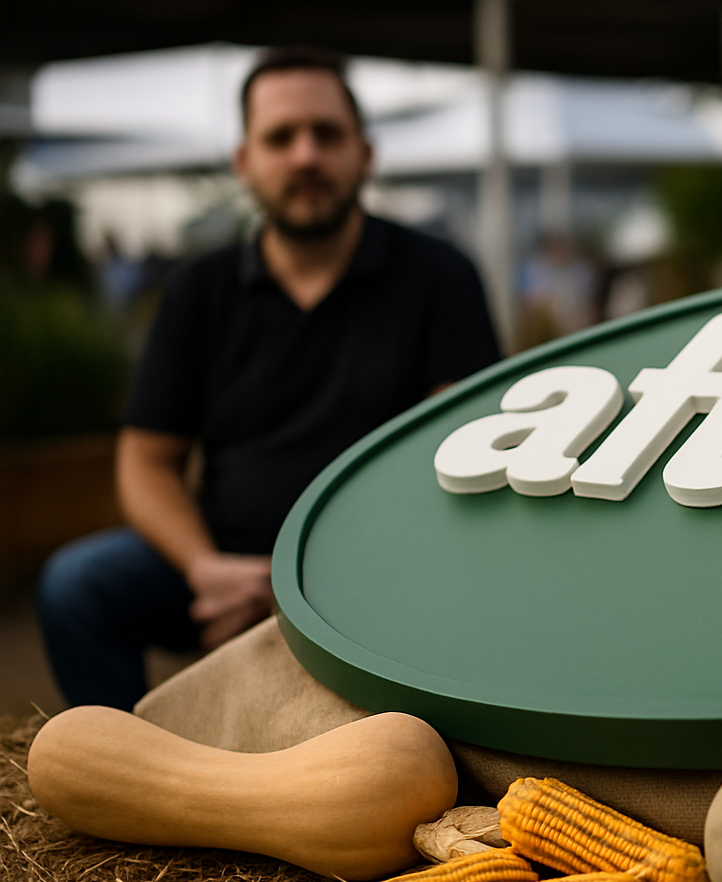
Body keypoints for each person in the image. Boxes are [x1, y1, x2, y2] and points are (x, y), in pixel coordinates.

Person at [35, 47, 501, 710]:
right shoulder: (200, 289)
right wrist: (204, 568)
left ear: (364, 155)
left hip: (390, 578)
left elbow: (463, 453)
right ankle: (130, 772)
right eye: (280, 138)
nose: (305, 155)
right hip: (228, 563)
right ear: (244, 163)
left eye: (327, 134)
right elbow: (145, 460)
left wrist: (328, 586)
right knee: (75, 586)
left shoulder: (439, 277)